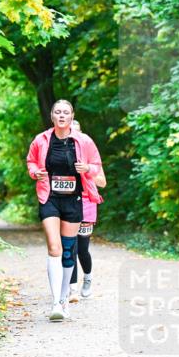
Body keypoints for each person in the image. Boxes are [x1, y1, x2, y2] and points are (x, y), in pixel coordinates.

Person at [26, 100, 104, 322]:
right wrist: (36, 172)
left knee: (69, 251)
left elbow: (97, 166)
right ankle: (55, 303)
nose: (61, 116)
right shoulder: (41, 140)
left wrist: (87, 168)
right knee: (54, 247)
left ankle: (63, 299)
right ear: (52, 116)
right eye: (58, 112)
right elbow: (31, 161)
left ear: (72, 117)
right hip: (49, 197)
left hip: (74, 199)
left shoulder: (84, 141)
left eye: (66, 112)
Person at [67, 120, 106, 302]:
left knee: (82, 248)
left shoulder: (91, 157)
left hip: (87, 203)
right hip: (68, 204)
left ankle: (88, 279)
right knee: (70, 247)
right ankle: (72, 288)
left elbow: (102, 182)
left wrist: (87, 170)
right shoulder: (63, 155)